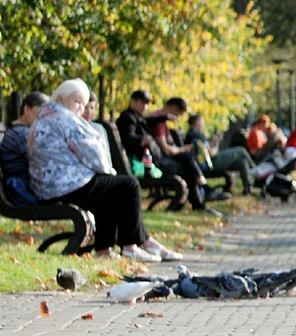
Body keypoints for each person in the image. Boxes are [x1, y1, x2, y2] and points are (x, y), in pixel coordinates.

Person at [28, 79, 182, 262]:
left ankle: (106, 250)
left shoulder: (46, 117)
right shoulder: (64, 118)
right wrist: (108, 171)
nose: (80, 108)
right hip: (63, 186)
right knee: (128, 185)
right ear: (61, 98)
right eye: (77, 102)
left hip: (50, 185)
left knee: (109, 188)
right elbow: (91, 152)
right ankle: (132, 246)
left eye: (83, 104)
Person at [117, 90, 191, 210]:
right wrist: (141, 139)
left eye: (147, 104)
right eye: (143, 103)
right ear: (133, 101)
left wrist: (166, 117)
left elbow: (147, 121)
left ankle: (196, 199)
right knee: (186, 167)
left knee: (187, 162)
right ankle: (195, 200)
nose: (145, 107)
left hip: (153, 159)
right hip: (148, 163)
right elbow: (128, 136)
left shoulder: (136, 117)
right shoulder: (128, 117)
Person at [149, 97, 230, 205]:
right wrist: (184, 149)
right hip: (157, 160)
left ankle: (200, 199)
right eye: (178, 114)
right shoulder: (158, 121)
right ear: (173, 109)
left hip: (159, 157)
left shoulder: (160, 120)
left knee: (189, 162)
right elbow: (166, 149)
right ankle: (204, 192)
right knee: (189, 161)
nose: (177, 118)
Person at [186, 114, 256, 195]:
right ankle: (255, 170)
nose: (203, 125)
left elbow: (206, 149)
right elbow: (212, 153)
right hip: (210, 164)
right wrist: (216, 144)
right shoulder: (197, 134)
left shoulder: (191, 134)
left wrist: (215, 141)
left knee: (242, 162)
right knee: (241, 150)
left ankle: (248, 188)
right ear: (197, 122)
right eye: (203, 123)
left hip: (206, 162)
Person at [0, 92, 49, 207]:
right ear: (27, 108)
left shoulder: (21, 132)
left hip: (31, 188)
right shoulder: (21, 135)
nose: (44, 117)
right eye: (41, 111)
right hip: (28, 191)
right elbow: (46, 156)